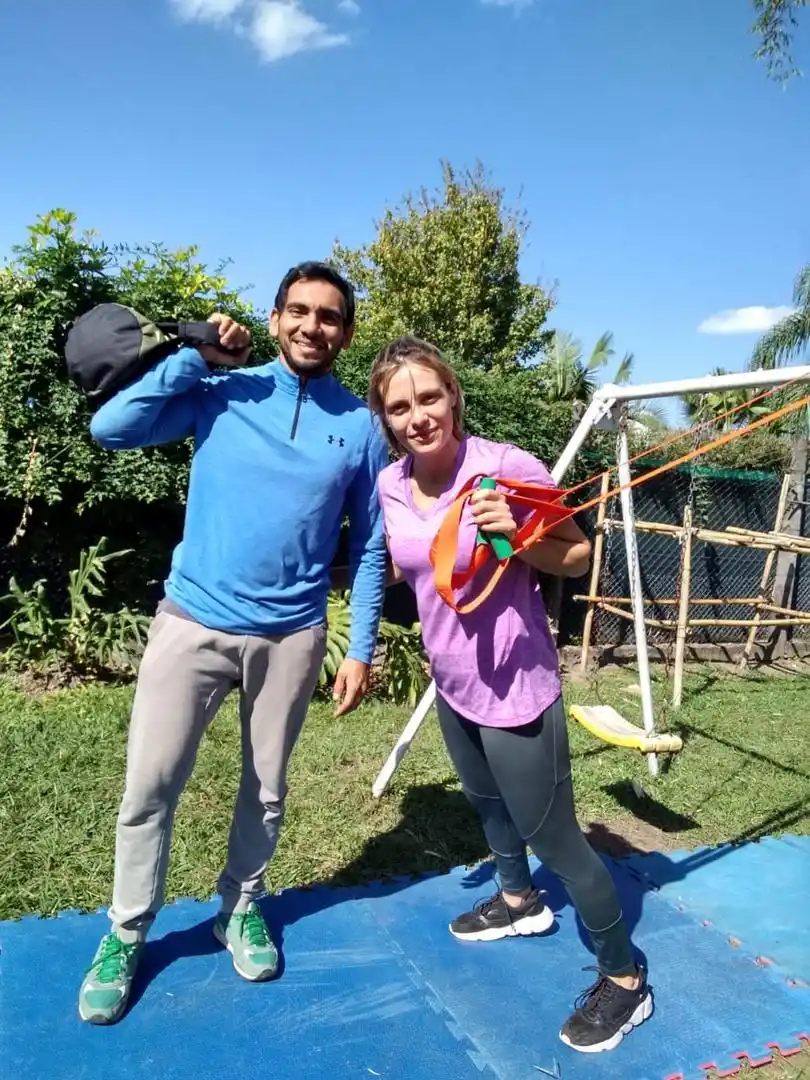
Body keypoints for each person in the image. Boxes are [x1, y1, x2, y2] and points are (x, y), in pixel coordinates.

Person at [78, 262, 389, 1025]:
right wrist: (198, 358)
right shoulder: (221, 395)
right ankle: (126, 932)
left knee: (267, 788)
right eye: (301, 312)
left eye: (330, 317)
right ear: (277, 318)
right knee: (150, 786)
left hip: (291, 635)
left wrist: (360, 646)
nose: (314, 327)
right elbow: (109, 429)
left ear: (346, 332)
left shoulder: (358, 426)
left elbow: (374, 544)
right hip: (193, 622)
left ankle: (239, 908)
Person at [368, 336, 653, 1055]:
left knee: (557, 840)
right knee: (487, 805)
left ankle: (625, 979)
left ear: (453, 396)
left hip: (519, 687)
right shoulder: (391, 485)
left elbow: (579, 552)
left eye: (429, 397)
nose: (418, 416)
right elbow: (410, 567)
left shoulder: (506, 467)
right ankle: (519, 902)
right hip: (454, 679)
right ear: (385, 417)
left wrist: (521, 539)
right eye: (400, 406)